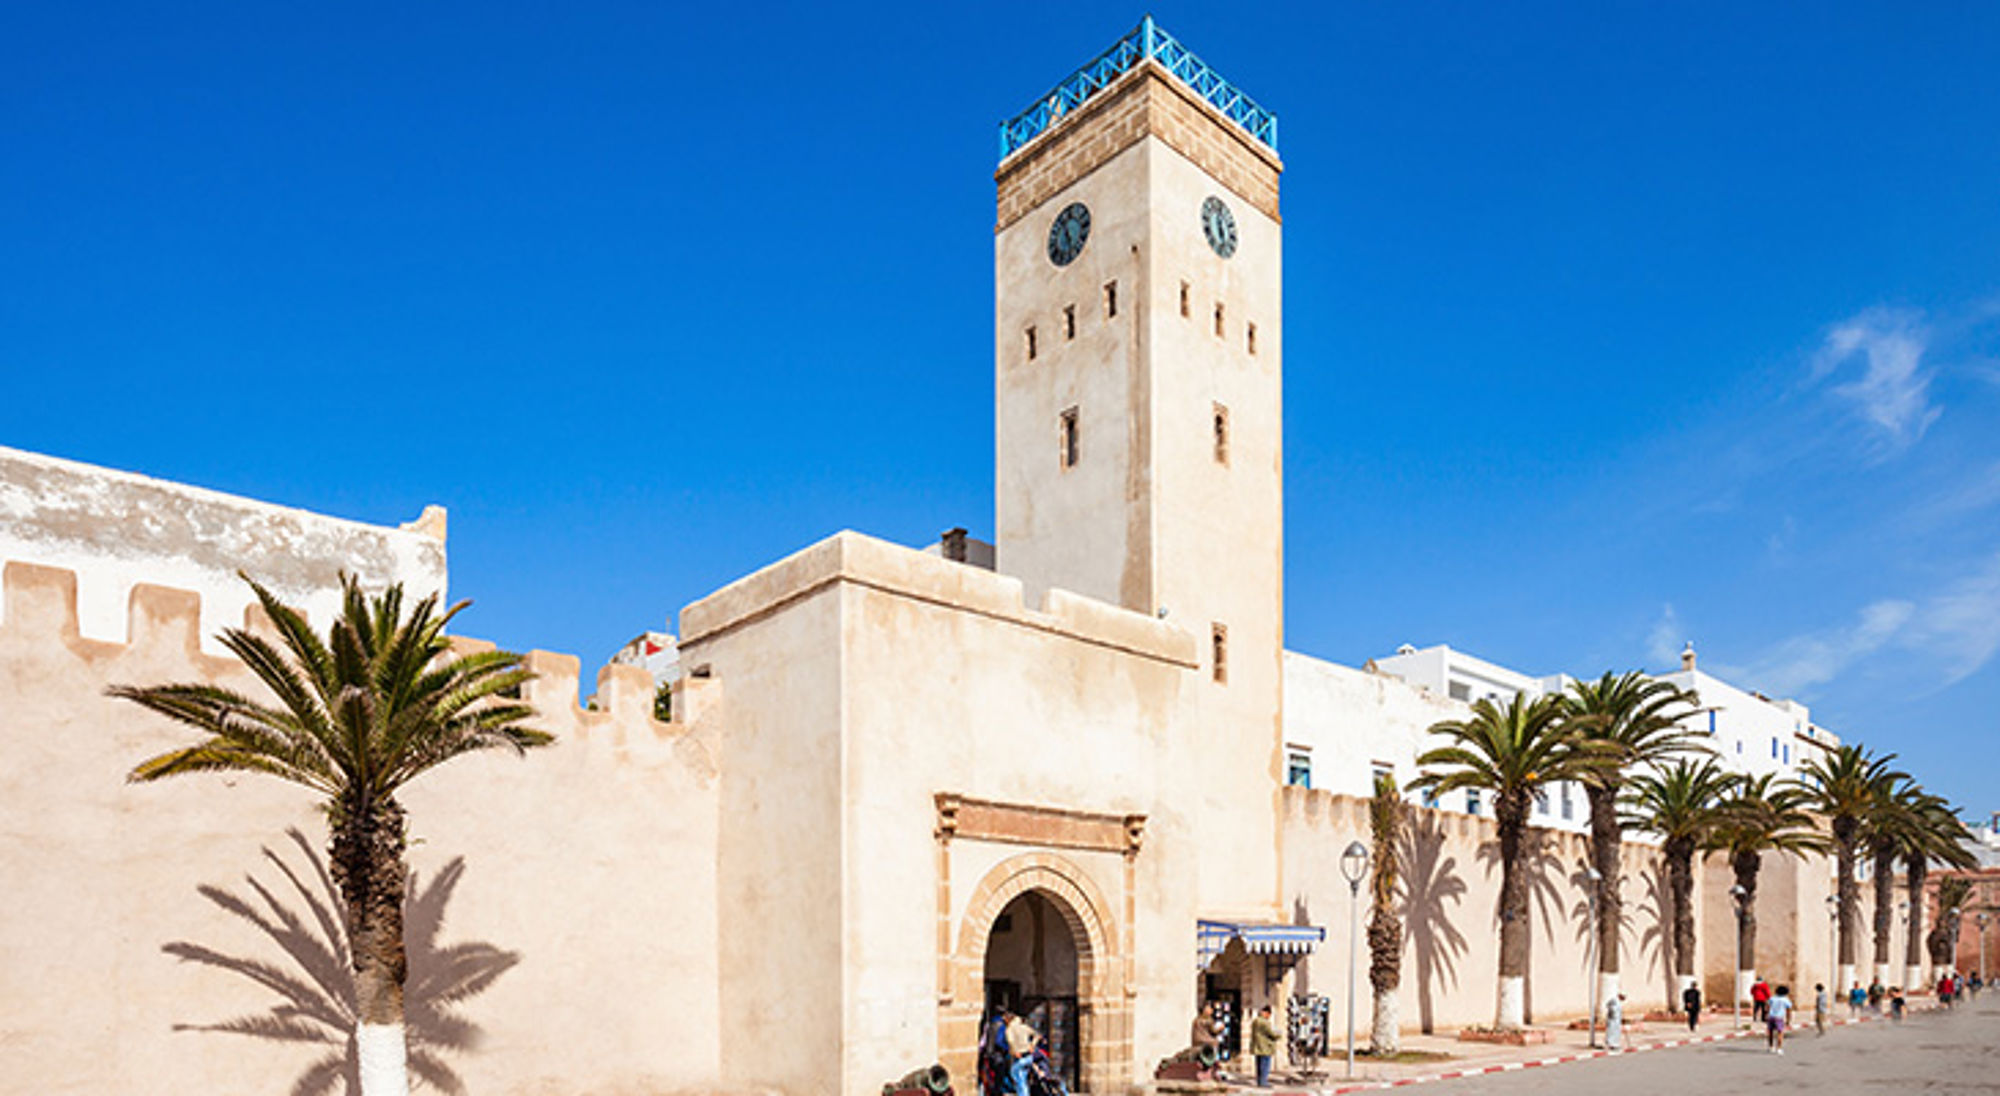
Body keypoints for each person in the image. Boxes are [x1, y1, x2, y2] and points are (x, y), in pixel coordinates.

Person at [1247, 1005, 1280, 1088]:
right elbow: (1271, 1033)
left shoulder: (1255, 1021)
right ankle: (1263, 1082)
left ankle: (1259, 1081)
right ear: (1266, 1013)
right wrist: (1279, 1035)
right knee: (1265, 1065)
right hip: (1265, 1047)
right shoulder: (1265, 1023)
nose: (1269, 1017)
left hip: (1257, 1046)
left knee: (1258, 1065)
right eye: (1269, 1014)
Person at [1765, 985, 1792, 1055]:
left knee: (1770, 1032)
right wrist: (1788, 1020)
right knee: (1780, 1033)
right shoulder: (1785, 1000)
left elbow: (1767, 1007)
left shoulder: (1772, 998)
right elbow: (1788, 1010)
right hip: (1779, 1018)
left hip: (1771, 1017)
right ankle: (1779, 1048)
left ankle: (1771, 1047)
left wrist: (1766, 1015)